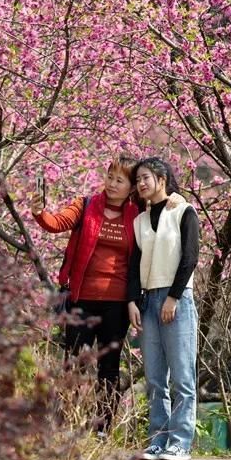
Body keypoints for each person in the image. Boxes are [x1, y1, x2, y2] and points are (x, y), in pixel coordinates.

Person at [30, 155, 139, 434]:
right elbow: (55, 223)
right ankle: (65, 425)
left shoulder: (137, 214)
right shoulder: (86, 204)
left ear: (131, 187)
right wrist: (39, 212)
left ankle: (102, 428)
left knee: (109, 369)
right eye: (110, 177)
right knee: (73, 364)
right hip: (81, 299)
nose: (112, 184)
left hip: (117, 304)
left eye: (120, 180)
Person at [128, 157, 200, 460]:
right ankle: (158, 439)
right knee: (155, 377)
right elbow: (133, 265)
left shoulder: (183, 211)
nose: (141, 184)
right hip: (147, 301)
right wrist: (131, 300)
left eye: (146, 177)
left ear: (162, 178)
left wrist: (172, 297)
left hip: (178, 299)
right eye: (138, 180)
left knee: (182, 376)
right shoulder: (139, 221)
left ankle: (180, 442)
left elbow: (190, 257)